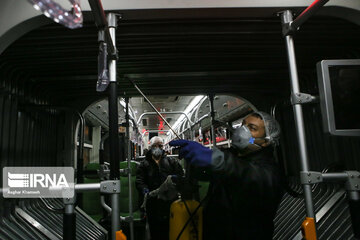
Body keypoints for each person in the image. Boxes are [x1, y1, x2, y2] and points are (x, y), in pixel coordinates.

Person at [170, 111, 284, 240]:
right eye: (243, 124)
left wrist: (217, 160)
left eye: (252, 128)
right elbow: (214, 175)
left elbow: (247, 174)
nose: (243, 130)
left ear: (266, 141)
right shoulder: (233, 156)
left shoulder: (269, 171)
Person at [136, 136, 184, 240]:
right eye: (154, 146)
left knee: (170, 227)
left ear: (163, 147)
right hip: (153, 201)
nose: (157, 148)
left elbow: (180, 176)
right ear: (150, 147)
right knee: (155, 229)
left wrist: (175, 181)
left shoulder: (172, 162)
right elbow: (140, 181)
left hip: (169, 200)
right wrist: (145, 190)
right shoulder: (144, 164)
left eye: (160, 146)